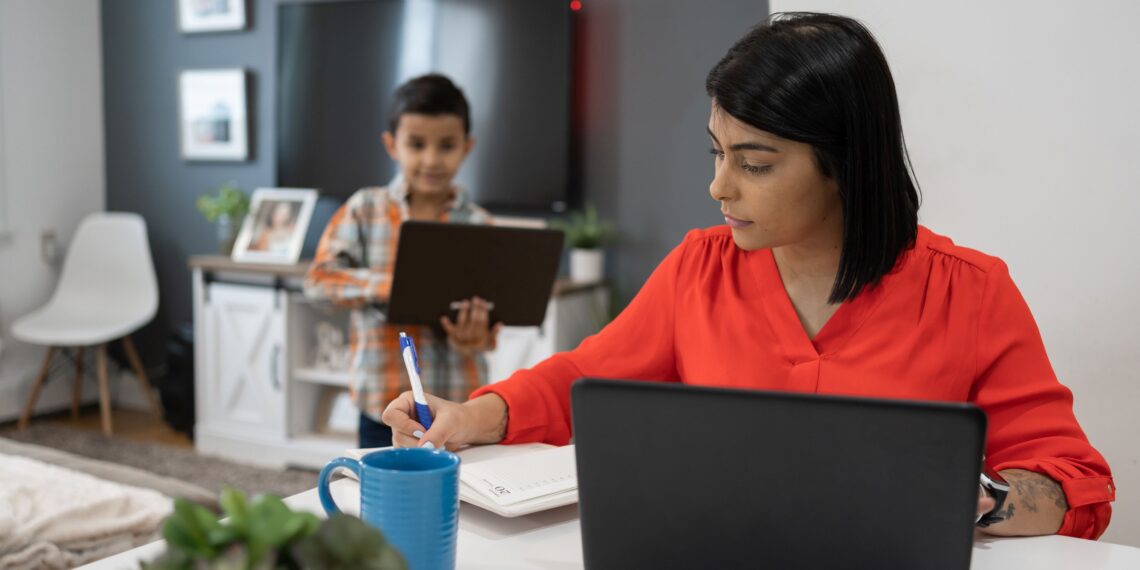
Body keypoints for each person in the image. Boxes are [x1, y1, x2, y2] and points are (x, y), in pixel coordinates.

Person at [383, 14, 1116, 539]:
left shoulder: (972, 292)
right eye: (716, 153)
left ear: (844, 167)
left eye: (754, 164)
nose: (719, 187)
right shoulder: (699, 268)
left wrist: (982, 499)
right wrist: (470, 417)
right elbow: (583, 376)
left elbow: (1071, 483)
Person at [305, 74, 500, 448]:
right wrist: (392, 285)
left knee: (459, 500)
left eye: (446, 145)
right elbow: (319, 283)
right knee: (381, 503)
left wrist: (475, 337)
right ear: (392, 145)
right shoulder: (364, 209)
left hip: (458, 409)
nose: (431, 159)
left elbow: (489, 333)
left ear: (467, 147)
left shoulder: (480, 225)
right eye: (417, 144)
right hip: (382, 408)